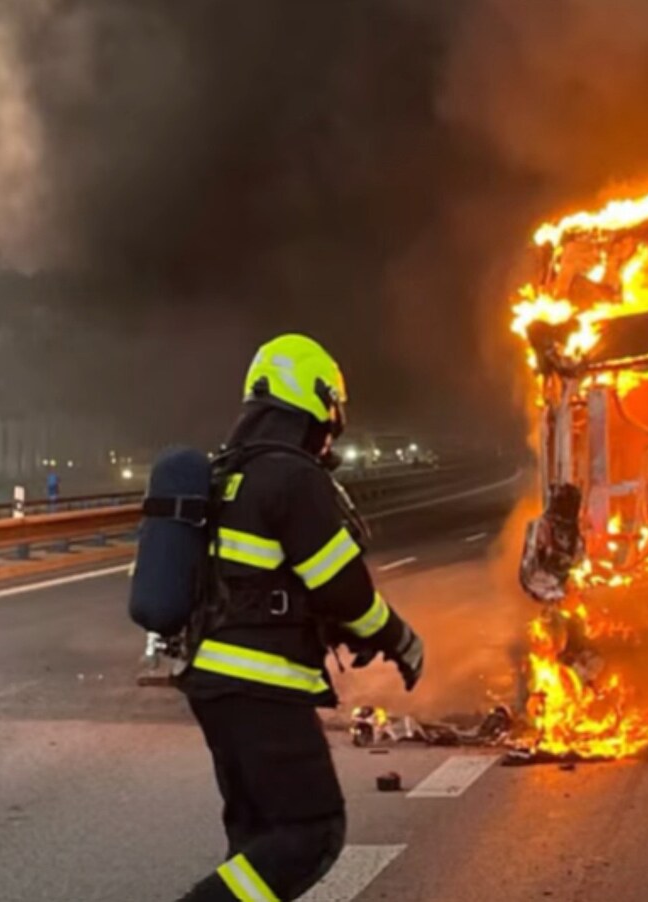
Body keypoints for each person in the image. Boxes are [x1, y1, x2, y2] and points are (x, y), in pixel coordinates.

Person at [175, 334, 425, 902]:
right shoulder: (291, 476)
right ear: (313, 402)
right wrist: (400, 639)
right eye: (330, 416)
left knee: (257, 837)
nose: (331, 433)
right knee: (310, 832)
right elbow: (344, 590)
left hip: (215, 681)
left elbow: (263, 581)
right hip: (263, 683)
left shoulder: (227, 473)